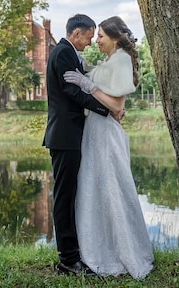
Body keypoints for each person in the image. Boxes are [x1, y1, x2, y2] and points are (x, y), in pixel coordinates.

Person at [63, 16, 154, 280]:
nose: (96, 40)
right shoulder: (110, 61)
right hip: (95, 131)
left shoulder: (121, 59)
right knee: (94, 190)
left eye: (100, 36)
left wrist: (87, 85)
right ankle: (97, 250)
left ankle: (119, 253)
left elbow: (116, 105)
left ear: (114, 37)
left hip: (105, 134)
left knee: (112, 189)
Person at [42, 14, 111, 276]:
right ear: (77, 33)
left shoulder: (68, 53)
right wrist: (104, 109)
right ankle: (68, 261)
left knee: (70, 195)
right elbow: (71, 91)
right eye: (89, 37)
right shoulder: (62, 53)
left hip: (70, 135)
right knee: (63, 197)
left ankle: (73, 254)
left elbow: (77, 86)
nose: (91, 42)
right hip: (64, 136)